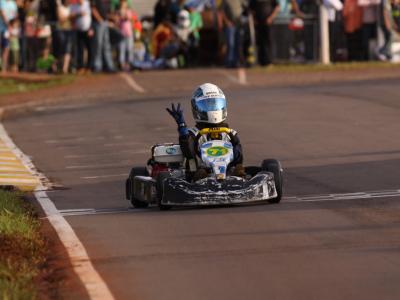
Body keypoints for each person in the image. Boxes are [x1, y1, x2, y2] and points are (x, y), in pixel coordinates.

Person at [166, 83, 245, 181]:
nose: (212, 110)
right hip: (199, 175)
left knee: (238, 158)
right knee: (195, 165)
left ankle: (237, 176)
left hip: (228, 174)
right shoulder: (193, 133)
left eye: (215, 105)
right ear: (197, 108)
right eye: (207, 106)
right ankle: (199, 178)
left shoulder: (229, 133)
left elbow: (239, 158)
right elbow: (188, 151)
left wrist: (235, 155)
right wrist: (182, 126)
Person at [249, 0, 280, 66]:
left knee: (269, 41)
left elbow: (277, 7)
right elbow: (251, 9)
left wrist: (271, 18)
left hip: (269, 23)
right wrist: (254, 19)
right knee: (260, 42)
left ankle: (270, 61)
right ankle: (262, 61)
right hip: (259, 24)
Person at [90, 0, 115, 72]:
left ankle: (109, 65)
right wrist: (99, 19)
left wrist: (110, 19)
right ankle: (97, 66)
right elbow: (93, 9)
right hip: (98, 23)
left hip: (105, 22)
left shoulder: (107, 1)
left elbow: (107, 12)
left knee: (106, 45)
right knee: (98, 45)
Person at [70, 0, 92, 73]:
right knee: (80, 49)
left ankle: (89, 67)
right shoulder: (74, 6)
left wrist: (91, 28)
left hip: (88, 30)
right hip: (78, 30)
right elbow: (71, 16)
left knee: (89, 49)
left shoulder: (87, 4)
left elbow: (91, 16)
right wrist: (79, 14)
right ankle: (81, 66)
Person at [0, 0, 18, 72]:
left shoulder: (13, 3)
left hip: (8, 30)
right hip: (1, 28)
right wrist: (9, 25)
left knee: (6, 48)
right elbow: (2, 13)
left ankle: (4, 68)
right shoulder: (1, 1)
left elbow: (15, 15)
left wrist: (13, 27)